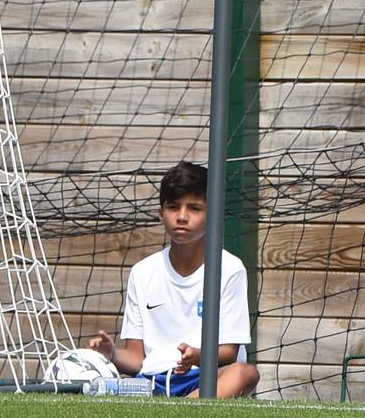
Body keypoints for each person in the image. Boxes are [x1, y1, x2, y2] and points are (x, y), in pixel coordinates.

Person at [87, 162, 260, 398]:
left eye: (194, 208)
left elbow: (229, 353)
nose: (181, 217)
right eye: (173, 207)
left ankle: (184, 410)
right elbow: (137, 359)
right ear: (161, 213)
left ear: (214, 214)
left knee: (245, 373)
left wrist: (197, 356)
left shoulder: (230, 269)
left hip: (205, 377)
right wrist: (111, 355)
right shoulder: (143, 272)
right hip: (151, 382)